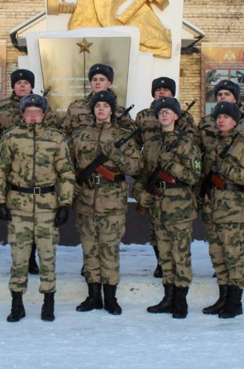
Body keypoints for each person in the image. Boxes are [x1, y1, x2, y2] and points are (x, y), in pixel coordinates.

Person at [0, 94, 75, 322]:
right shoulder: (11, 137)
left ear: (44, 114)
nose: (33, 117)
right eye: (29, 113)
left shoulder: (56, 138)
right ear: (23, 114)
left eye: (37, 113)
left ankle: (49, 302)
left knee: (48, 256)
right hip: (19, 205)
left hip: (47, 205)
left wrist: (65, 203)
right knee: (19, 257)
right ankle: (17, 303)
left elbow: (66, 172)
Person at [70, 90, 142, 315]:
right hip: (85, 199)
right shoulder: (80, 134)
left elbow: (137, 168)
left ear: (112, 110)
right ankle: (93, 296)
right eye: (97, 105)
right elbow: (68, 165)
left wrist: (117, 155)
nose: (101, 109)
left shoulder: (123, 135)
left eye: (105, 106)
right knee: (90, 250)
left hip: (112, 201)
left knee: (109, 250)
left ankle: (110, 298)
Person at [0, 68, 59, 275]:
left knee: (37, 216)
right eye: (19, 83)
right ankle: (20, 258)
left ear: (31, 85)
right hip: (12, 170)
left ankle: (33, 259)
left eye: (26, 82)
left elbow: (55, 130)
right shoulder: (2, 106)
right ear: (13, 85)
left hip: (38, 170)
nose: (22, 85)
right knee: (18, 218)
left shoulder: (42, 105)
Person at [133, 97, 202, 319]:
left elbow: (194, 176)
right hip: (157, 207)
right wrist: (139, 194)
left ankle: (181, 301)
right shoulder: (151, 144)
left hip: (179, 206)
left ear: (176, 117)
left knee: (180, 255)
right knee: (164, 255)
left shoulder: (186, 144)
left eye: (168, 112)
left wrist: (172, 166)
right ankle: (168, 297)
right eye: (160, 112)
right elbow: (143, 176)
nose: (164, 115)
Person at [201, 102, 244, 319]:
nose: (221, 120)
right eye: (218, 117)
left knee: (233, 256)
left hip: (233, 207)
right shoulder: (214, 144)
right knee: (217, 255)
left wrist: (227, 169)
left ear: (235, 121)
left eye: (226, 117)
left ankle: (235, 301)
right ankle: (223, 297)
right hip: (214, 207)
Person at [135, 76, 198, 279]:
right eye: (158, 89)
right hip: (154, 181)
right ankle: (162, 266)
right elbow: (137, 146)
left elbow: (193, 164)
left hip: (177, 193)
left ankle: (179, 296)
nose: (161, 92)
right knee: (157, 234)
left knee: (179, 245)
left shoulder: (186, 123)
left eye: (166, 89)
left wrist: (173, 164)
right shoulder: (143, 117)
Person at [61, 63, 136, 136]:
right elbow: (64, 132)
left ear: (109, 84)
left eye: (102, 80)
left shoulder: (120, 112)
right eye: (94, 79)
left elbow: (129, 136)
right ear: (90, 82)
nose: (97, 82)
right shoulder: (76, 107)